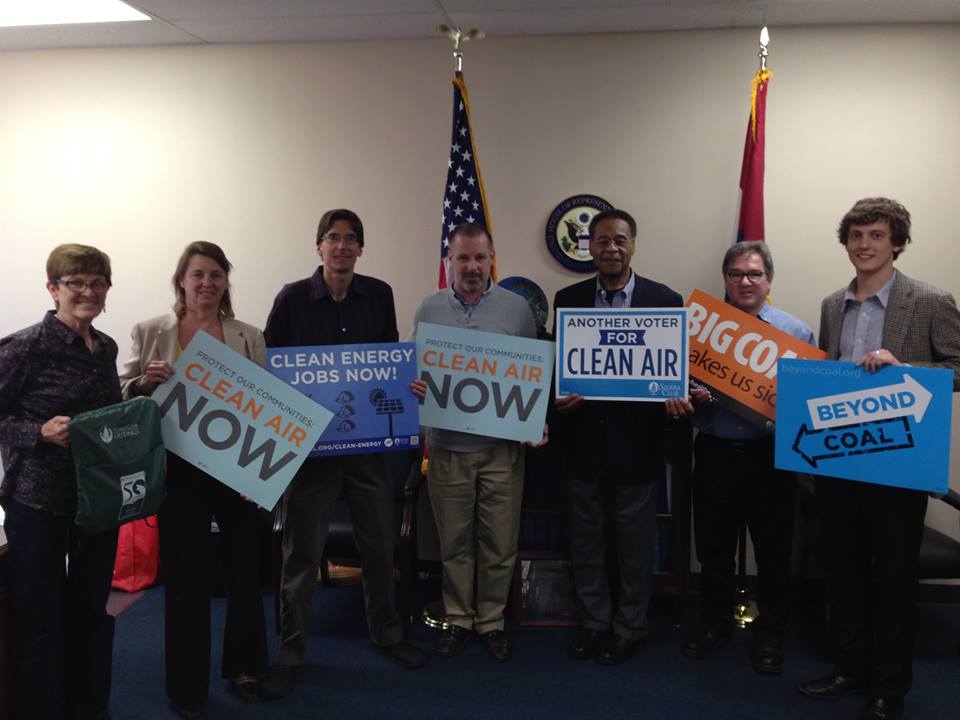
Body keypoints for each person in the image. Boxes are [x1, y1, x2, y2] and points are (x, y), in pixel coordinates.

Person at [798, 198, 960, 720]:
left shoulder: (931, 300)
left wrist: (904, 367)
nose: (863, 245)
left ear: (897, 243)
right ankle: (849, 669)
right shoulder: (830, 305)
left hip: (898, 464)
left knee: (893, 579)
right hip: (840, 462)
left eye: (875, 235)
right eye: (855, 236)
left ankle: (890, 688)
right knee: (843, 573)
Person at [260, 209, 425, 700]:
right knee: (300, 554)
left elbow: (389, 360)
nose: (342, 247)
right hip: (311, 453)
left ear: (360, 248)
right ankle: (290, 653)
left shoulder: (379, 295)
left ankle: (387, 634)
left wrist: (407, 384)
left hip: (368, 449)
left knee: (380, 547)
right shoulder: (292, 298)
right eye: (333, 239)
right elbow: (273, 367)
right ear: (319, 247)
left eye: (351, 239)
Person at [119, 242, 268, 718]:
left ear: (226, 281)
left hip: (238, 468)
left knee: (246, 569)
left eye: (216, 274)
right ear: (181, 280)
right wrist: (143, 383)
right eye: (197, 274)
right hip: (178, 468)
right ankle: (187, 685)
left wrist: (262, 475)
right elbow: (120, 395)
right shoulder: (149, 331)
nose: (207, 282)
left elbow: (264, 406)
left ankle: (245, 668)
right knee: (186, 577)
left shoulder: (249, 335)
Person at [665, 241, 814, 674]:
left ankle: (771, 635)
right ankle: (715, 624)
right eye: (736, 274)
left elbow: (808, 403)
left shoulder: (796, 333)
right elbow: (675, 385)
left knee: (773, 551)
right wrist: (690, 396)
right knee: (713, 549)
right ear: (725, 279)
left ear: (769, 280)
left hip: (770, 457)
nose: (745, 282)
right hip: (714, 451)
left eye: (754, 274)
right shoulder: (698, 329)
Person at [409, 222, 544, 663]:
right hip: (447, 447)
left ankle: (491, 621)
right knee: (454, 543)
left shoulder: (516, 309)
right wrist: (416, 388)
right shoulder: (428, 309)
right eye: (462, 258)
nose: (471, 267)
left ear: (491, 260)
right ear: (449, 260)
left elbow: (533, 374)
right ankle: (458, 619)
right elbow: (414, 371)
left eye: (479, 258)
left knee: (499, 542)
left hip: (501, 450)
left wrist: (536, 418)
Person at [552, 208, 682, 665]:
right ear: (589, 246)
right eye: (602, 241)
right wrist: (557, 398)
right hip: (583, 444)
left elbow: (671, 370)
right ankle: (594, 623)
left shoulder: (666, 301)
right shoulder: (566, 298)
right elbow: (560, 368)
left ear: (633, 245)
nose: (611, 249)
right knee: (586, 543)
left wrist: (674, 395)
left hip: (638, 446)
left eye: (620, 240)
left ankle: (630, 627)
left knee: (634, 546)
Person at [0, 244, 121, 720]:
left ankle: (88, 708)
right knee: (39, 619)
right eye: (76, 283)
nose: (88, 291)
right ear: (54, 289)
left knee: (91, 612)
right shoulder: (26, 346)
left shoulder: (105, 347)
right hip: (38, 500)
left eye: (98, 282)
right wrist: (38, 432)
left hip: (96, 499)